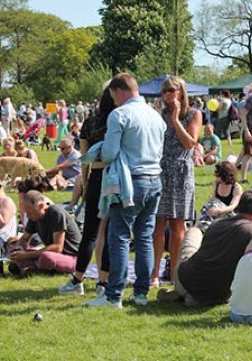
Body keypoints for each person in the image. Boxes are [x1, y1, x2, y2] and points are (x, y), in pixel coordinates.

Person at [85, 73, 166, 308]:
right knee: (144, 237)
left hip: (130, 182)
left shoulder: (119, 115)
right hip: (154, 180)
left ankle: (113, 295)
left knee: (118, 237)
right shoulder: (155, 115)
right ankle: (140, 294)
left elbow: (109, 153)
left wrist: (97, 152)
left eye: (113, 96)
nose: (114, 101)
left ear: (119, 91)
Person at [156, 190, 252, 306]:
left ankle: (181, 292)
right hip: (218, 294)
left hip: (187, 280)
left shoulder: (218, 224)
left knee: (194, 231)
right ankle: (188, 296)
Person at [57, 86, 115, 297]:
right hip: (115, 177)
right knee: (108, 232)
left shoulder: (91, 122)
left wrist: (85, 180)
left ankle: (78, 279)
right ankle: (103, 281)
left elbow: (85, 158)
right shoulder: (118, 120)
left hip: (97, 176)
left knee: (90, 232)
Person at [152, 76, 202, 287]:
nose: (168, 95)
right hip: (160, 170)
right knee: (157, 224)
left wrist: (174, 119)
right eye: (164, 91)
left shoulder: (193, 114)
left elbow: (190, 143)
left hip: (181, 171)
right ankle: (154, 272)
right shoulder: (159, 115)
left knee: (177, 226)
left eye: (172, 90)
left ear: (181, 91)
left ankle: (174, 273)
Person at [8, 191, 81, 275]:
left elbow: (57, 247)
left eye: (30, 212)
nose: (28, 216)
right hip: (51, 253)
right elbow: (24, 238)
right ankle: (37, 268)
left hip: (71, 257)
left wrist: (27, 255)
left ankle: (36, 269)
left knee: (46, 257)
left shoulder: (56, 213)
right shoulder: (34, 216)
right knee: (13, 248)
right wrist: (19, 249)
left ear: (41, 206)